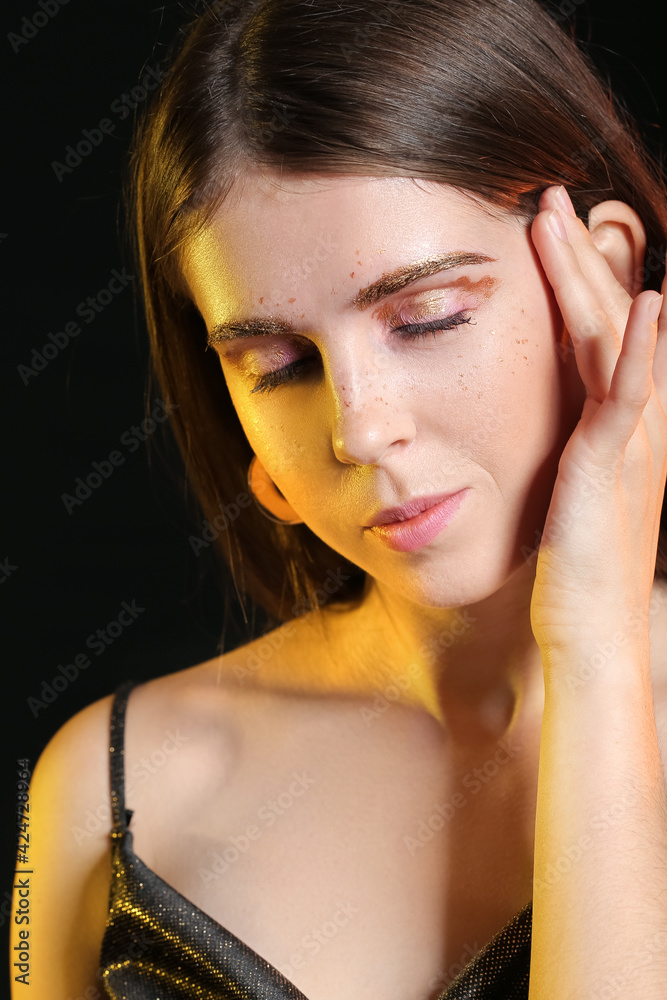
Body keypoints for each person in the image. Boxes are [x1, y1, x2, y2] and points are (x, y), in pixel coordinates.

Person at [14, 1, 667, 998]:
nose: (358, 430)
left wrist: (595, 650)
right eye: (278, 364)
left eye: (426, 316)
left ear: (603, 272)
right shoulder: (113, 787)